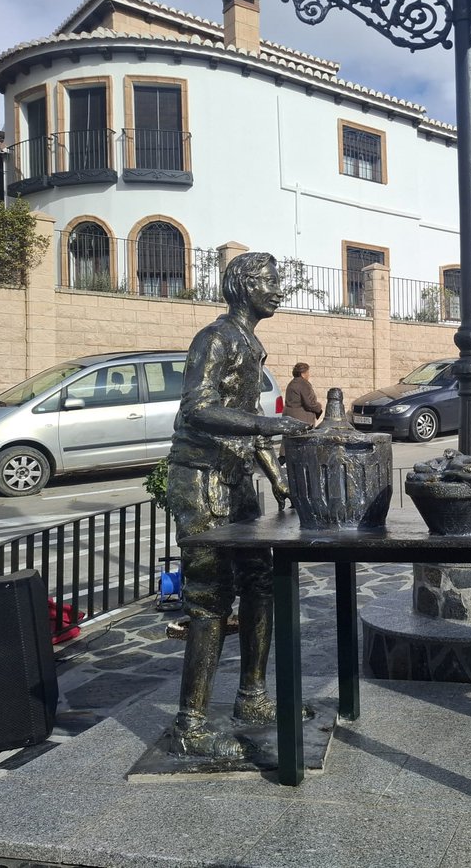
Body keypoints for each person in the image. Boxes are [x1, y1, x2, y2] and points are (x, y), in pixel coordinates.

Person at [166, 252, 310, 758]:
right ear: (243, 285)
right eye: (269, 282)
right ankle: (190, 725)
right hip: (202, 481)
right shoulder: (215, 337)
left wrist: (277, 477)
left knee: (260, 585)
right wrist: (269, 426)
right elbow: (198, 409)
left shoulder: (249, 341)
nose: (278, 290)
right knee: (209, 599)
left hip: (236, 483)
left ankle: (251, 697)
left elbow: (245, 415)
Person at [283, 362, 323, 426]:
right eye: (307, 372)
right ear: (303, 374)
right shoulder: (304, 384)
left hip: (289, 417)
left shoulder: (291, 383)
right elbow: (310, 404)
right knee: (304, 436)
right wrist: (319, 406)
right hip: (302, 420)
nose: (309, 375)